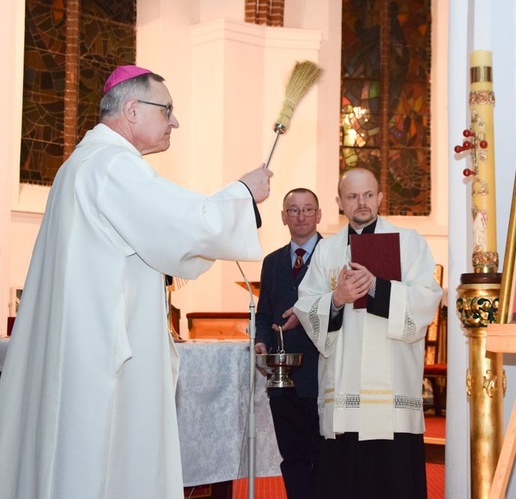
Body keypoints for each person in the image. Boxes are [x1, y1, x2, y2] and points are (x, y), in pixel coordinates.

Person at [0, 65, 273, 499]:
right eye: (167, 110)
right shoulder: (112, 166)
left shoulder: (81, 165)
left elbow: (162, 237)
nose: (175, 122)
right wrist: (243, 192)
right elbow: (185, 224)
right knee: (103, 462)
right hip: (104, 358)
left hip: (81, 348)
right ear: (131, 109)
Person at [293, 167, 442, 499]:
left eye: (368, 195)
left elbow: (427, 299)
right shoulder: (327, 251)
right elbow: (306, 305)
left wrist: (378, 288)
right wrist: (336, 300)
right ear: (339, 202)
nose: (361, 203)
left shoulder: (410, 242)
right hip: (346, 384)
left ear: (380, 197)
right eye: (352, 196)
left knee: (394, 479)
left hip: (394, 384)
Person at [254, 188, 322, 499]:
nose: (301, 216)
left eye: (308, 209)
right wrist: (261, 343)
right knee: (292, 454)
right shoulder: (271, 262)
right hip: (282, 377)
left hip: (322, 372)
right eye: (293, 210)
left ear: (318, 215)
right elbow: (265, 311)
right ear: (283, 217)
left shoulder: (333, 255)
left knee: (323, 454)